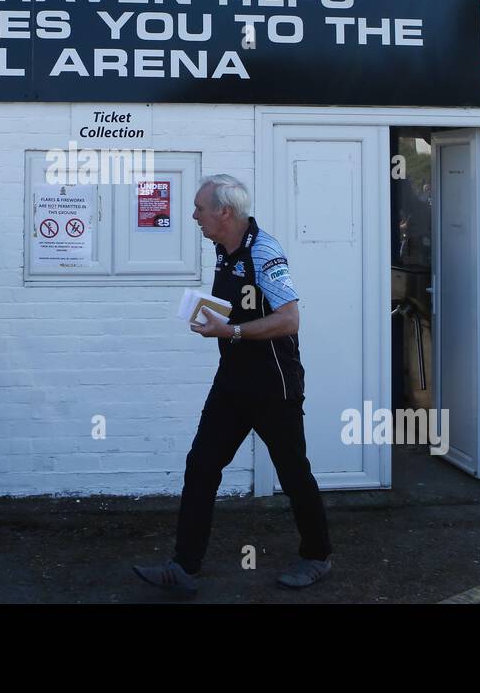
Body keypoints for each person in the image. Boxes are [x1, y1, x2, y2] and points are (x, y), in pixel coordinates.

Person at [133, 174, 332, 598]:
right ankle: (183, 567)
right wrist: (215, 320)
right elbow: (238, 310)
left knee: (293, 472)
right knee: (201, 465)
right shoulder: (223, 251)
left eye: (200, 208)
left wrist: (232, 332)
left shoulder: (265, 251)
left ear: (224, 212)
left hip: (273, 386)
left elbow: (290, 319)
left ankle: (317, 556)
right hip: (232, 384)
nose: (193, 216)